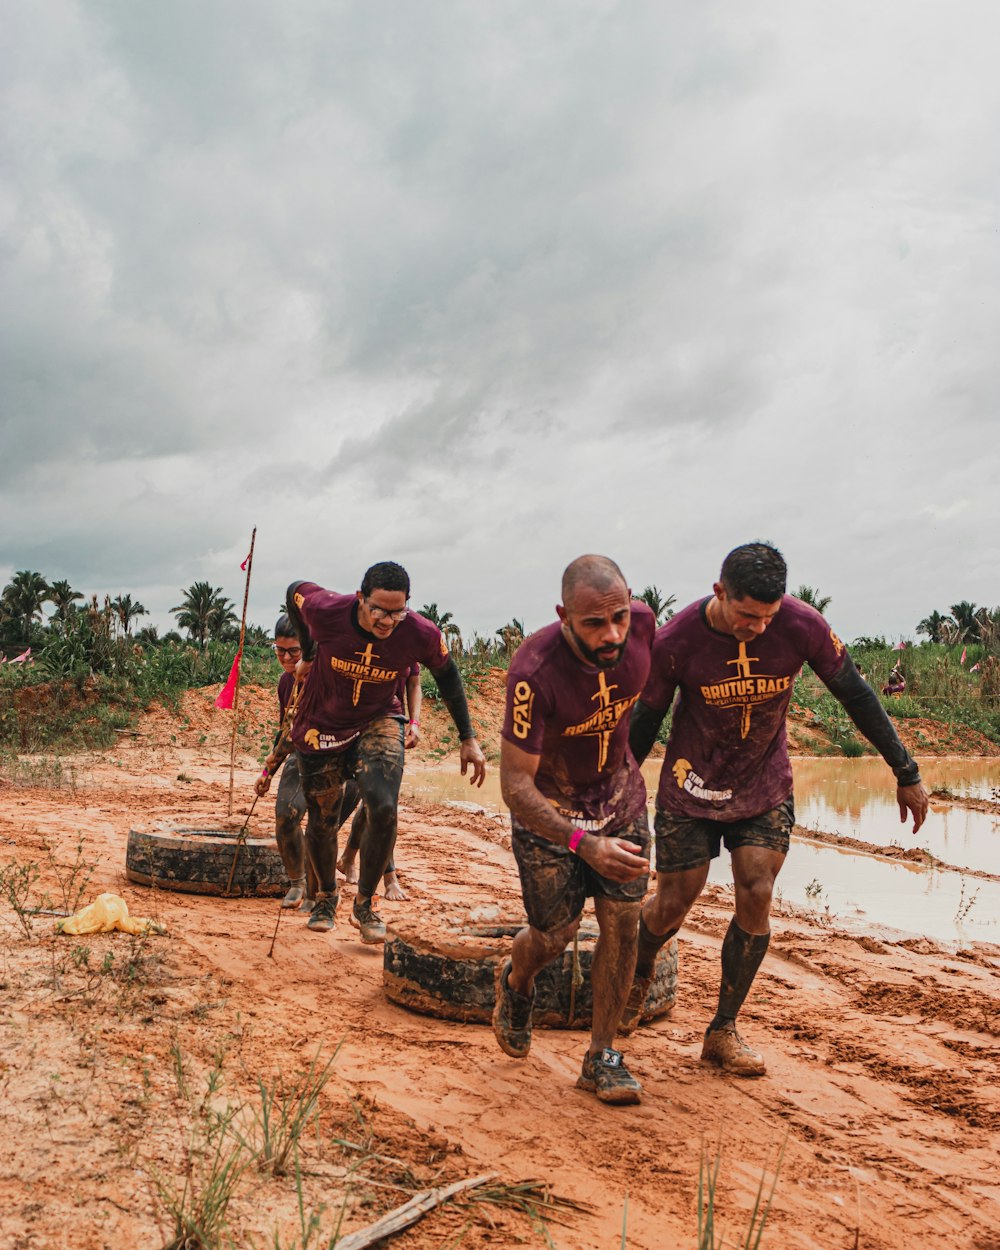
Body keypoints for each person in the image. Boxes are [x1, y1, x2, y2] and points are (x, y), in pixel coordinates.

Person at [621, 542, 929, 1076]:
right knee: (674, 901)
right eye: (746, 616)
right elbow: (646, 720)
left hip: (763, 782)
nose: (758, 629)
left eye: (767, 617)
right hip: (691, 782)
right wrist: (618, 796)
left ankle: (722, 1030)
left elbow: (855, 693)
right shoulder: (675, 641)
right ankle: (641, 964)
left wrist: (906, 771)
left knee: (756, 888)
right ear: (720, 593)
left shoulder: (802, 626)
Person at [494, 555, 655, 1105]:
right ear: (564, 616)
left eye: (620, 617)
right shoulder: (532, 672)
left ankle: (602, 1057)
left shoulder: (645, 626)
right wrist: (583, 844)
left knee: (624, 925)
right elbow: (515, 786)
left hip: (621, 801)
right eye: (593, 624)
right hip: (552, 814)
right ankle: (515, 984)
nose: (611, 635)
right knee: (553, 937)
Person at [281, 561, 486, 941]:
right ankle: (327, 896)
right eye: (378, 610)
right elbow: (294, 588)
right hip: (321, 721)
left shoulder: (420, 633)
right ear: (360, 598)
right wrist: (309, 651)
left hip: (380, 718)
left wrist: (467, 738)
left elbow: (448, 675)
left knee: (384, 807)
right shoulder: (325, 609)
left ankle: (365, 904)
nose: (387, 621)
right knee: (322, 819)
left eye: (397, 611)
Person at [336, 663, 423, 901]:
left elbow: (414, 682)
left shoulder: (408, 638)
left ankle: (350, 859)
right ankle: (386, 876)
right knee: (374, 801)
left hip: (389, 729)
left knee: (381, 802)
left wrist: (414, 722)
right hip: (353, 726)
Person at [254, 616, 317, 910]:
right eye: (280, 651)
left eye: (293, 651)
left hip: (331, 757)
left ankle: (322, 894)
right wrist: (268, 771)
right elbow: (285, 730)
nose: (286, 658)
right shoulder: (284, 682)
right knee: (285, 817)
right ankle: (297, 883)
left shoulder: (323, 678)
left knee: (321, 829)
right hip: (299, 756)